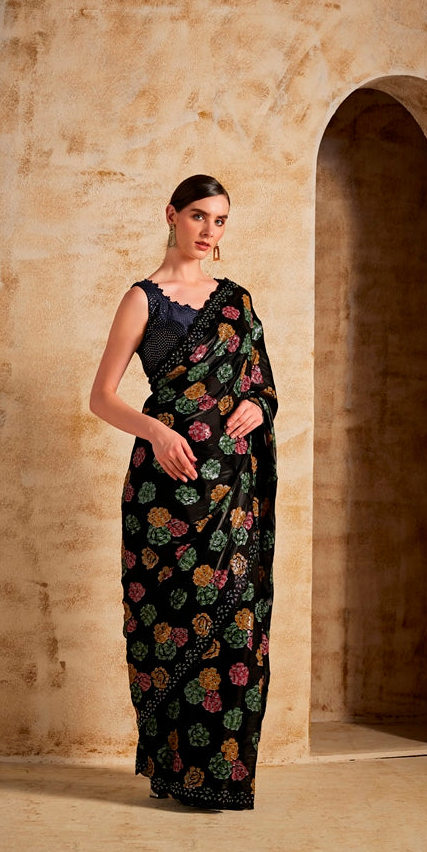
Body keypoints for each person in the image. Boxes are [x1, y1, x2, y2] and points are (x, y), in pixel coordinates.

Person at [90, 174, 278, 811]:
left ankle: (223, 776)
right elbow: (102, 397)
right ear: (171, 215)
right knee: (168, 627)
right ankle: (176, 769)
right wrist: (156, 431)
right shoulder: (142, 299)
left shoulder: (237, 301)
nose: (208, 230)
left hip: (232, 493)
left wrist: (257, 405)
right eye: (198, 215)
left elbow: (261, 383)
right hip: (164, 492)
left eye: (219, 220)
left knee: (236, 630)